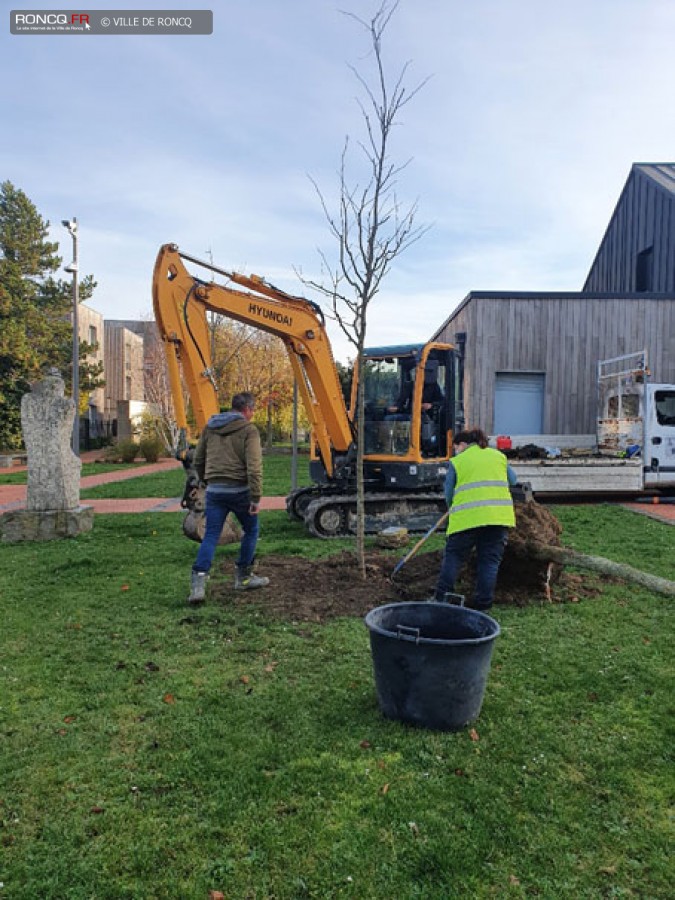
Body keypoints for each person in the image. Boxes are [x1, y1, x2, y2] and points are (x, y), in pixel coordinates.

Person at [187, 391, 269, 605]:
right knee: (251, 531)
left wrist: (206, 480)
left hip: (215, 491)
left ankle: (198, 586)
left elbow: (198, 459)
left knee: (211, 535)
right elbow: (254, 467)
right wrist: (255, 497)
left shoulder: (210, 427)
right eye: (253, 410)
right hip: (240, 491)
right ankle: (243, 577)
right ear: (247, 409)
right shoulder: (249, 430)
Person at [433, 428, 517, 611]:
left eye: (455, 447)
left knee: (454, 557)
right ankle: (483, 604)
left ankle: (442, 599)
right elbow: (513, 480)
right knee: (489, 561)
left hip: (467, 519)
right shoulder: (498, 456)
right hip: (498, 518)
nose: (455, 451)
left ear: (462, 445)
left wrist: (452, 506)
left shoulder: (459, 461)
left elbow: (448, 493)